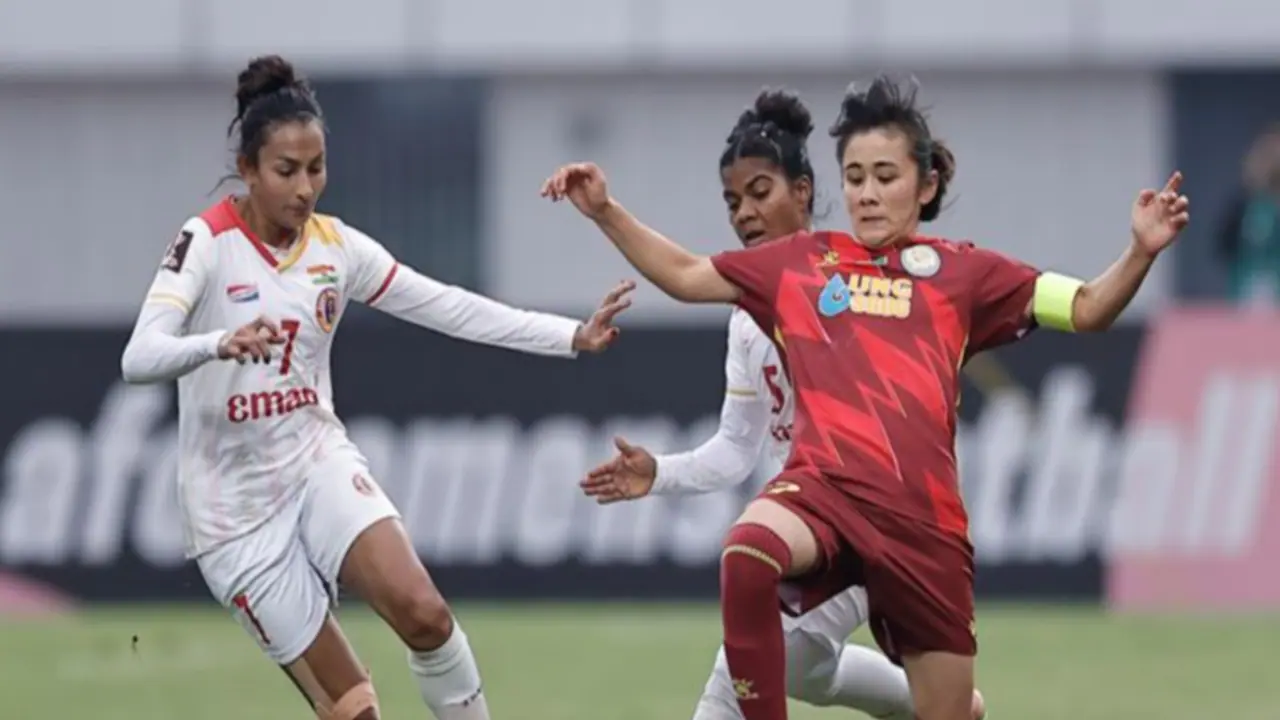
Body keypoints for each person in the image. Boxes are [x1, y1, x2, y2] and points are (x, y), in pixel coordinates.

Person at [544, 75, 1188, 720]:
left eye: (886, 176)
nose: (868, 193)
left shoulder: (967, 273)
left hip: (922, 527)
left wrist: (1138, 251)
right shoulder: (801, 261)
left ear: (926, 184)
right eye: (855, 178)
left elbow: (1085, 308)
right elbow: (685, 275)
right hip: (824, 493)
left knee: (949, 710)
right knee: (746, 552)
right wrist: (605, 210)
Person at [120, 55, 633, 720]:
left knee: (425, 614)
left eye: (316, 168)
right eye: (286, 171)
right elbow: (140, 355)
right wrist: (216, 342)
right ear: (247, 169)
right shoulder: (207, 242)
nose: (306, 189)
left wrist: (570, 336)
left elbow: (449, 305)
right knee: (355, 709)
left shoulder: (335, 248)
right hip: (234, 519)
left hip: (314, 466)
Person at [579, 89, 984, 720]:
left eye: (759, 191)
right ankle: (931, 704)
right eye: (732, 201)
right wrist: (660, 472)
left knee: (742, 671)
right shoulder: (746, 318)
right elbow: (737, 450)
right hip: (816, 528)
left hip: (884, 524)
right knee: (795, 661)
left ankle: (936, 702)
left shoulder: (853, 282)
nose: (744, 213)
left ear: (803, 191)